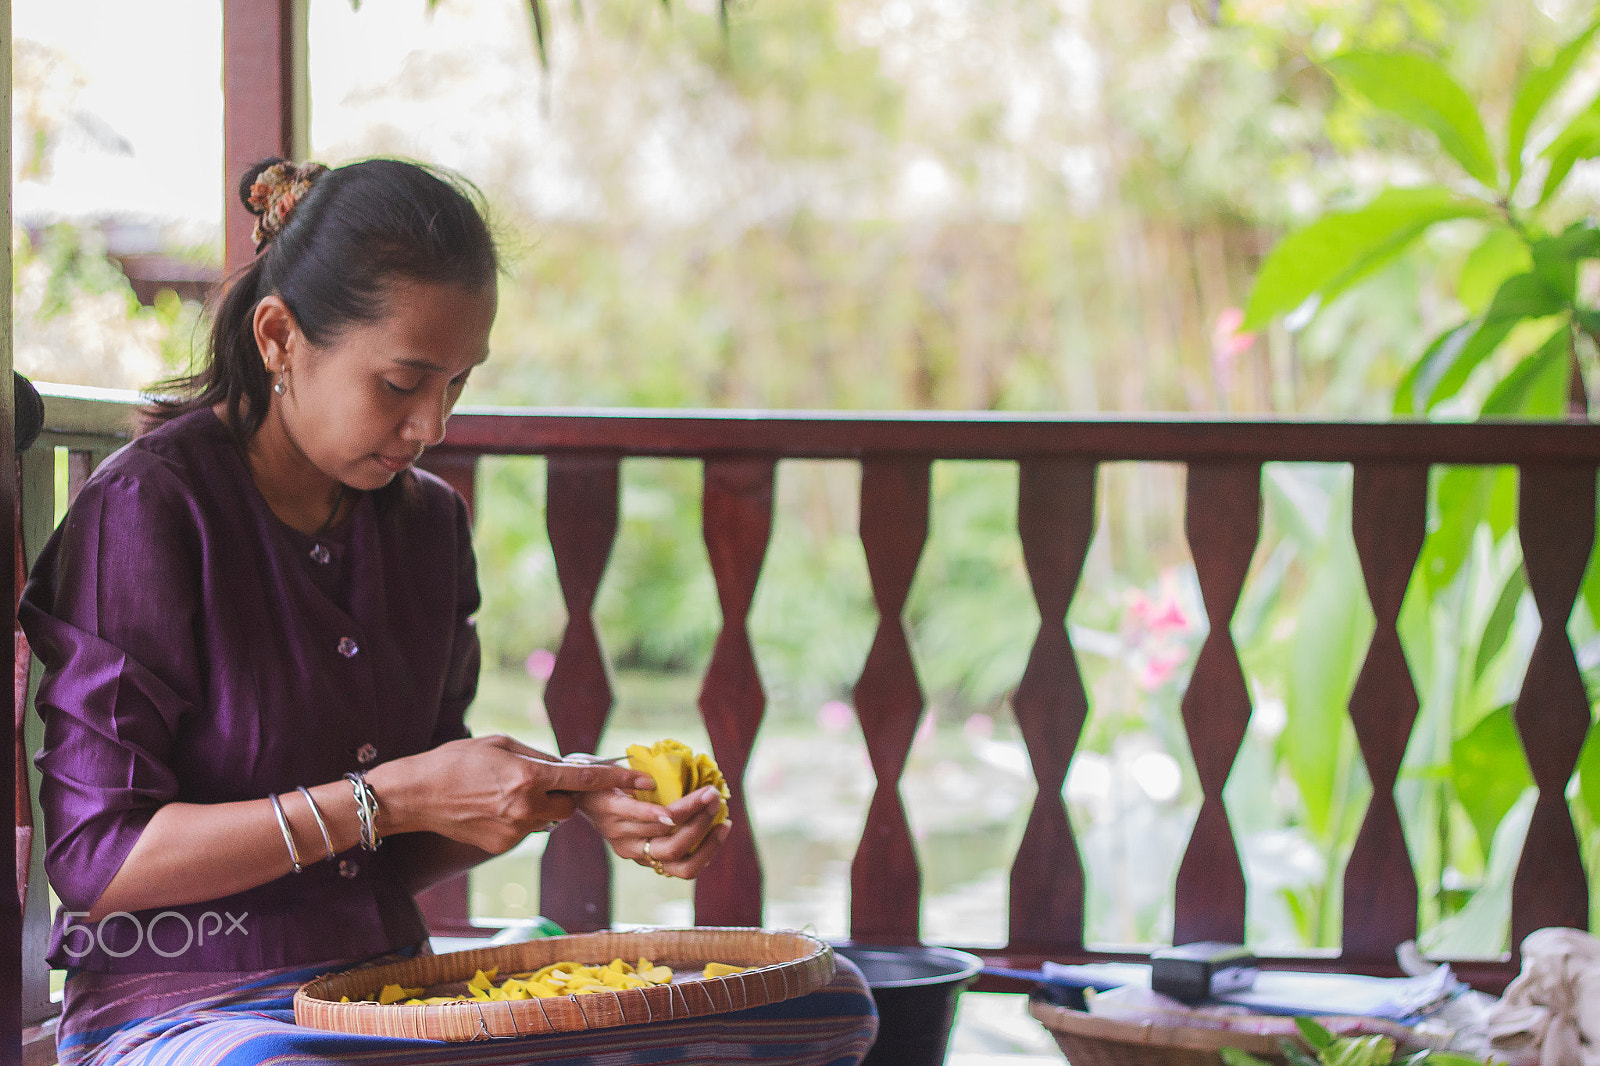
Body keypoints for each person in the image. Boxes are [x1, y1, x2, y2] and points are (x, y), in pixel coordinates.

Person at [20, 158, 877, 1066]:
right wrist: (385, 799)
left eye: (457, 384)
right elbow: (100, 862)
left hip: (390, 998)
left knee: (823, 1007)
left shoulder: (428, 525)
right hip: (192, 1009)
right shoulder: (151, 512)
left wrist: (567, 797)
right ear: (279, 338)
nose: (433, 426)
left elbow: (393, 847)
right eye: (401, 384)